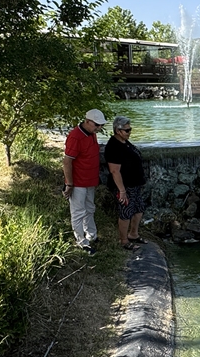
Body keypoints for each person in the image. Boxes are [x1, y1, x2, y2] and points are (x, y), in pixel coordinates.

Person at [63, 109, 106, 254]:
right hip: (78, 182)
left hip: (90, 180)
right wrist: (69, 183)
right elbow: (67, 161)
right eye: (96, 125)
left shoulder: (91, 133)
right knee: (78, 212)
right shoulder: (75, 137)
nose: (99, 128)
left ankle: (92, 235)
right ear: (87, 121)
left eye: (101, 125)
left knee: (90, 208)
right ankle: (81, 242)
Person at [104, 115, 147, 251]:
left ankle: (133, 234)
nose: (129, 132)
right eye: (127, 130)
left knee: (139, 209)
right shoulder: (113, 146)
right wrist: (121, 191)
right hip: (124, 186)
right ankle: (124, 240)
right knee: (125, 213)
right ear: (118, 130)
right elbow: (115, 171)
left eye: (130, 129)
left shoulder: (124, 142)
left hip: (135, 185)